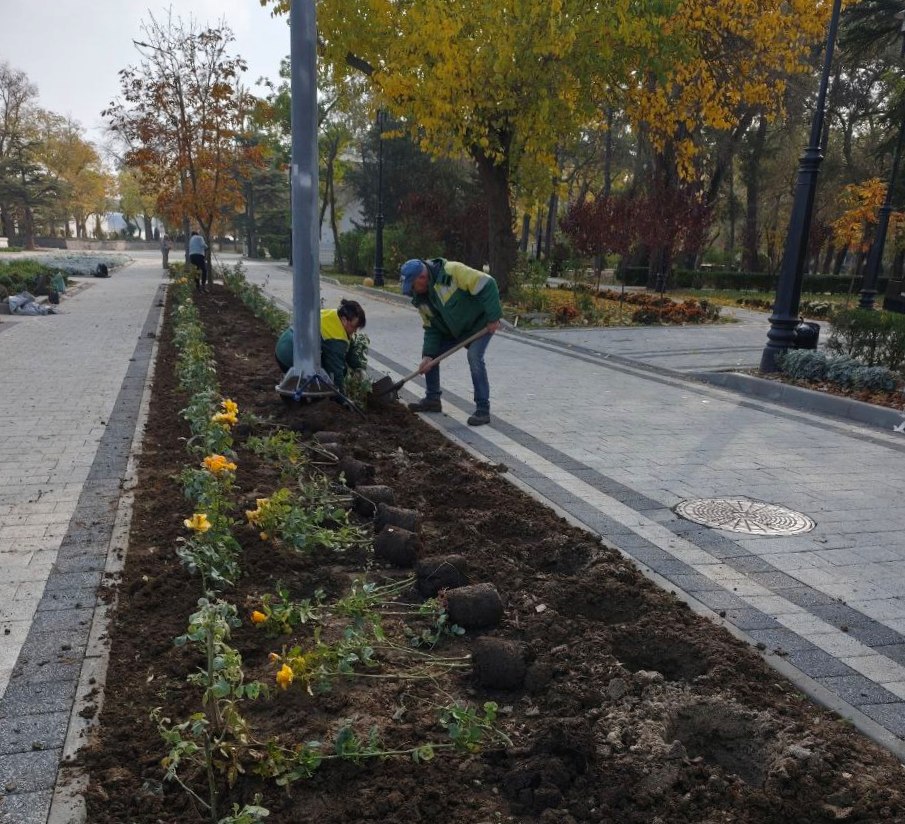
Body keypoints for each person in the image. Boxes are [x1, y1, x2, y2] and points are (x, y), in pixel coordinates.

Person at [399, 257, 502, 426]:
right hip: (452, 330)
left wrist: (493, 317)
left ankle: (482, 410)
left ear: (422, 278)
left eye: (412, 285)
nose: (412, 290)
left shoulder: (452, 272)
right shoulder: (421, 298)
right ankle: (433, 399)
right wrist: (428, 355)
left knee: (474, 357)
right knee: (431, 357)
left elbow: (488, 283)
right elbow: (431, 327)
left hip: (480, 324)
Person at [275, 299, 367, 391]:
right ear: (344, 320)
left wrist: (358, 367)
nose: (355, 331)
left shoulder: (334, 315)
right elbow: (335, 371)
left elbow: (349, 347)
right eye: (354, 327)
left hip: (283, 345)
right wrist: (341, 400)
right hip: (290, 355)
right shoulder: (335, 337)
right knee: (324, 379)